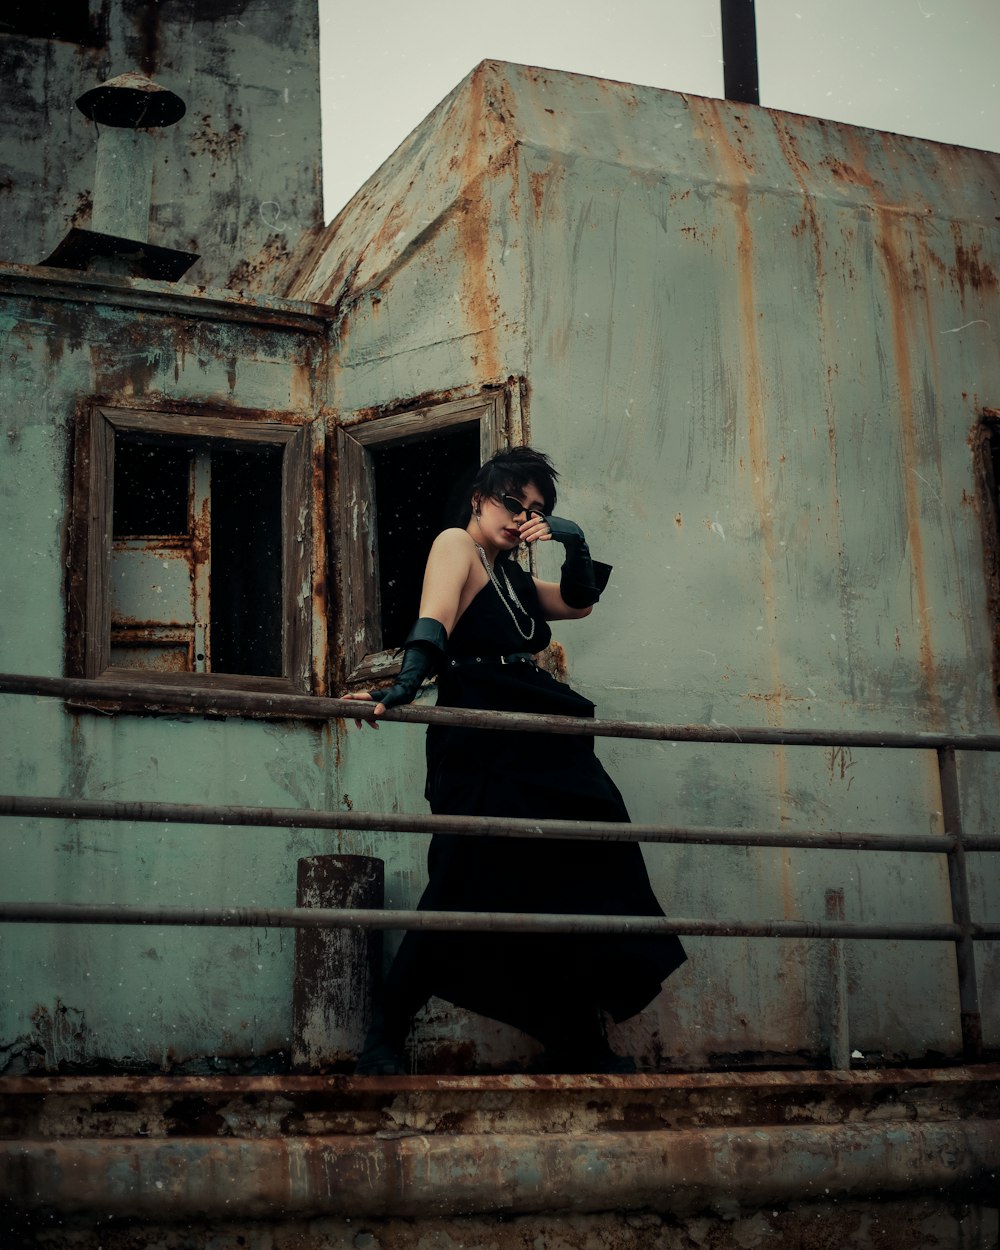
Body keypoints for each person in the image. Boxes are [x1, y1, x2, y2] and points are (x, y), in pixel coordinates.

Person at [344, 446, 686, 1073]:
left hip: (540, 735)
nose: (521, 515)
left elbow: (578, 603)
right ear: (479, 498)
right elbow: (435, 620)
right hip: (483, 736)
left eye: (536, 509)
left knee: (576, 871)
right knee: (459, 885)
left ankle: (578, 1042)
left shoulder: (512, 574)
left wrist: (571, 539)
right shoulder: (457, 545)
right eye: (512, 502)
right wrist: (404, 681)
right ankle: (382, 1039)